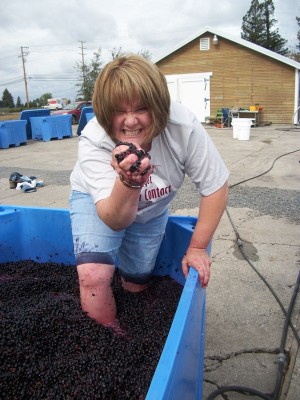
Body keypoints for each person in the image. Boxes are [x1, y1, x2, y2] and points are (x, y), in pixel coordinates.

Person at [69, 54, 229, 330]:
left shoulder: (182, 126)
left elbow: (215, 186)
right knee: (94, 276)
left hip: (152, 209)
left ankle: (135, 320)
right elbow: (114, 218)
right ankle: (108, 337)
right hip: (101, 203)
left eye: (141, 108)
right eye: (119, 111)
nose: (130, 122)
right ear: (105, 112)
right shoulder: (95, 139)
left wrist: (198, 248)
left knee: (137, 280)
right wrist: (130, 181)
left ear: (159, 106)